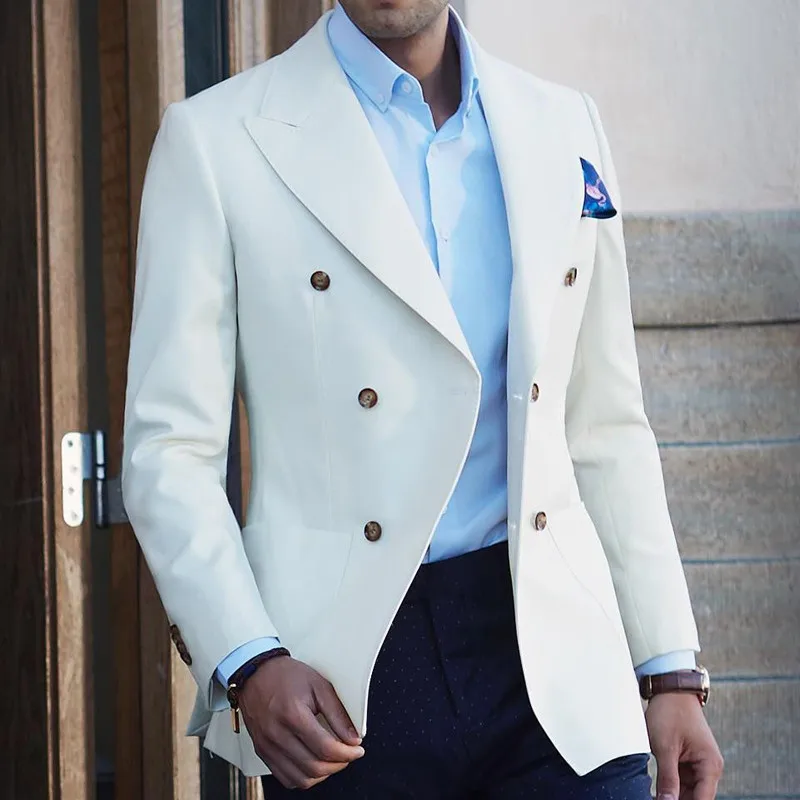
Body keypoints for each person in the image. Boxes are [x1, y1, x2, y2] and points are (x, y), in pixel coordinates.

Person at [122, 1, 724, 797]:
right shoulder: (216, 139)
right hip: (346, 682)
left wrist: (668, 669)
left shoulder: (562, 122)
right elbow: (168, 451)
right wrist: (248, 658)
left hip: (555, 659)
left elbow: (604, 423)